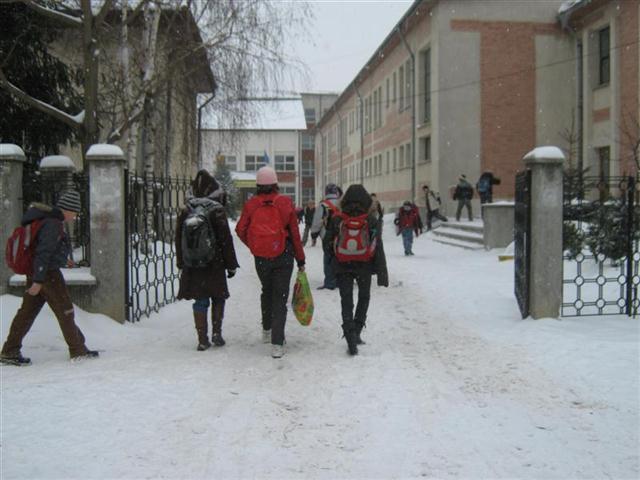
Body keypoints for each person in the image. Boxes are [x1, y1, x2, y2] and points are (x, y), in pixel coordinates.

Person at [1, 191, 99, 365]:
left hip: (38, 272)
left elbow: (45, 249)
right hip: (47, 275)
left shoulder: (47, 220)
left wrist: (61, 260)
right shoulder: (53, 223)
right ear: (67, 209)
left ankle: (10, 350)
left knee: (27, 313)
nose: (74, 217)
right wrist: (38, 281)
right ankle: (78, 350)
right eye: (74, 212)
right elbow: (43, 252)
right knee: (65, 311)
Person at [236, 166, 305, 358]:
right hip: (283, 255)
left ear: (258, 185)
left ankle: (266, 329)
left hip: (261, 258)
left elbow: (240, 229)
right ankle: (277, 343)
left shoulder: (251, 204)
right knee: (280, 298)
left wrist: (254, 245)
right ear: (275, 183)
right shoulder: (285, 202)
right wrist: (300, 258)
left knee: (266, 291)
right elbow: (295, 233)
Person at [176, 170, 239, 351]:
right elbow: (225, 240)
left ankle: (202, 339)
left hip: (193, 264)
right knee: (218, 297)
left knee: (200, 300)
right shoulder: (216, 210)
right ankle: (217, 333)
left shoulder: (186, 210)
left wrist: (181, 262)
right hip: (214, 263)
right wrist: (231, 265)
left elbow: (178, 238)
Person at [325, 185, 388, 355]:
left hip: (342, 264)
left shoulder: (337, 218)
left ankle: (349, 334)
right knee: (364, 296)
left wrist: (333, 260)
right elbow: (378, 245)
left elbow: (327, 243)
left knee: (346, 300)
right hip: (364, 265)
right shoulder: (370, 219)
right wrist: (381, 273)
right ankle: (358, 329)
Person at [310, 183, 341, 290]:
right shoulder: (341, 204)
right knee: (339, 257)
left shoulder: (323, 205)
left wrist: (314, 233)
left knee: (328, 257)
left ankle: (330, 281)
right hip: (341, 235)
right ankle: (340, 279)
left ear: (326, 192)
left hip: (327, 235)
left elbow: (317, 221)